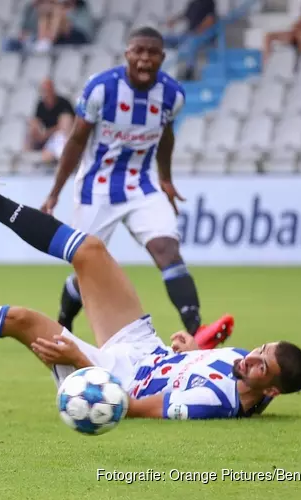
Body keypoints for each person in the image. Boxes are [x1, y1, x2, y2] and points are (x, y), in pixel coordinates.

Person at [0, 137, 301, 420]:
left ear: (270, 388)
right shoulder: (245, 371)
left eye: (261, 365)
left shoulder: (216, 405)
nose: (252, 357)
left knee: (22, 319)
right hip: (146, 351)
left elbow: (132, 408)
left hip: (117, 376)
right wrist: (191, 353)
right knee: (92, 251)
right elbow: (205, 369)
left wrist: (77, 355)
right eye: (261, 349)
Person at [40, 26, 231, 349]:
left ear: (162, 57)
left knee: (167, 252)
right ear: (127, 54)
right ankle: (64, 321)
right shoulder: (101, 89)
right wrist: (56, 191)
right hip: (96, 188)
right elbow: (76, 139)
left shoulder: (173, 95)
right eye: (138, 51)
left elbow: (167, 136)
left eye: (152, 52)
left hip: (142, 186)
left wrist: (166, 178)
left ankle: (198, 331)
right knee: (87, 267)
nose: (144, 59)